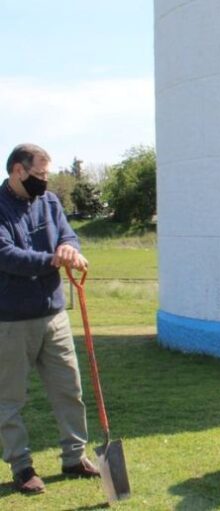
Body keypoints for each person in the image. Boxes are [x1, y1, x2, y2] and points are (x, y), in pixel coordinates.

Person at [0, 144, 99, 495]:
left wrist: (70, 248)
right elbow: (6, 255)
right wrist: (54, 260)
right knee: (10, 398)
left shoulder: (50, 202)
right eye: (40, 174)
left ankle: (74, 457)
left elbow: (67, 234)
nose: (45, 180)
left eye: (47, 174)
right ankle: (21, 466)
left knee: (69, 389)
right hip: (11, 321)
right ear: (18, 171)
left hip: (54, 315)